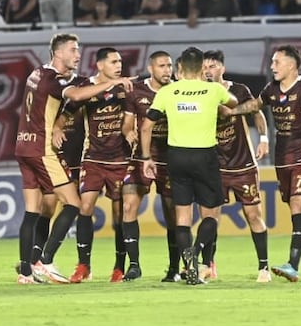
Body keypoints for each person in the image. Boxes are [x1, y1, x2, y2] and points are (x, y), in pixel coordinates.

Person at [14, 33, 135, 284]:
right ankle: (44, 261)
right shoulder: (52, 80)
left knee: (32, 211)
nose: (78, 54)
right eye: (73, 50)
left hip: (23, 147)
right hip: (41, 149)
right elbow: (77, 96)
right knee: (74, 204)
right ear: (58, 53)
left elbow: (70, 90)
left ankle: (26, 272)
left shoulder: (36, 73)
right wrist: (114, 83)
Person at [224, 45, 301, 283]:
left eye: (277, 62)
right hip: (282, 159)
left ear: (291, 64)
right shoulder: (271, 89)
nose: (272, 66)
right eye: (272, 62)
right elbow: (254, 106)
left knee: (298, 205)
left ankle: (293, 264)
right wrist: (233, 113)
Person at [139, 47, 237, 285]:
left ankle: (188, 264)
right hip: (205, 156)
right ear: (203, 67)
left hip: (177, 157)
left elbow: (145, 126)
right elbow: (233, 103)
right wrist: (217, 90)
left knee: (182, 216)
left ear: (180, 68)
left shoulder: (168, 91)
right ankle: (196, 250)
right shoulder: (213, 90)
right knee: (211, 214)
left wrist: (146, 158)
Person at [202, 50, 272, 283]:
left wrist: (263, 139)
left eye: (212, 66)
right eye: (205, 67)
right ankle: (208, 266)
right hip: (214, 166)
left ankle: (264, 268)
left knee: (253, 215)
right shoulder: (200, 94)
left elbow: (257, 113)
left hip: (243, 164)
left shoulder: (239, 90)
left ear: (222, 68)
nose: (208, 70)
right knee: (210, 218)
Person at [68, 47, 136, 284]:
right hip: (93, 158)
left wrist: (128, 131)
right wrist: (57, 128)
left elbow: (130, 116)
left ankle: (119, 267)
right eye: (114, 62)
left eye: (120, 62)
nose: (119, 66)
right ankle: (83, 265)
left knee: (119, 216)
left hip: (120, 159)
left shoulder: (126, 87)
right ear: (100, 65)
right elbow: (69, 108)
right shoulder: (87, 87)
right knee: (85, 206)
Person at [122, 51, 178, 282]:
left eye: (170, 65)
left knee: (173, 215)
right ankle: (134, 265)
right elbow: (126, 124)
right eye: (162, 66)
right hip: (141, 158)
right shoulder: (136, 91)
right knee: (128, 207)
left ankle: (175, 268)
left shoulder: (178, 90)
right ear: (151, 67)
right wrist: (128, 132)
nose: (167, 70)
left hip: (171, 159)